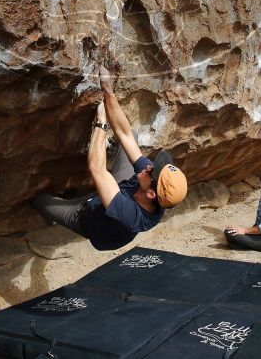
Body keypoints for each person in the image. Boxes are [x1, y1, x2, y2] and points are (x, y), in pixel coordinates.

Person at [32, 66, 188, 250]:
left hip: (88, 218)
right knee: (132, 136)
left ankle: (55, 206)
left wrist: (101, 124)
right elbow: (125, 134)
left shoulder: (131, 216)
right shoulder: (151, 186)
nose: (149, 166)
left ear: (151, 194)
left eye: (152, 171)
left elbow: (97, 169)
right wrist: (108, 91)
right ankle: (106, 171)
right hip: (121, 190)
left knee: (43, 201)